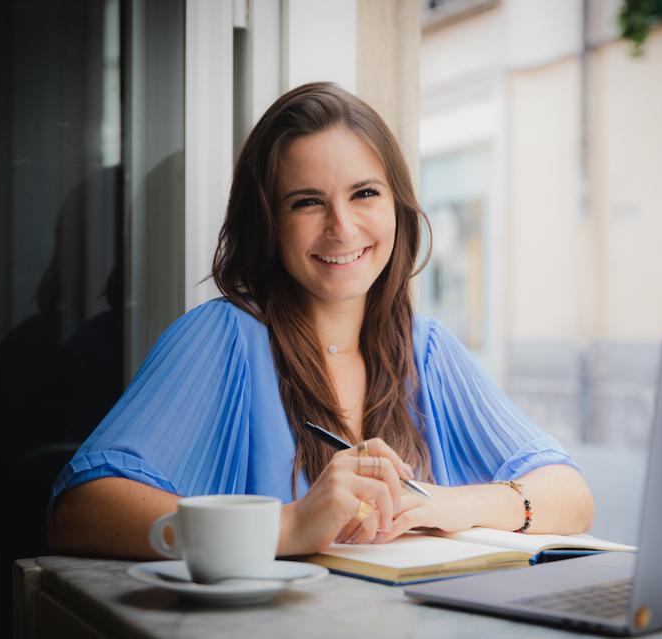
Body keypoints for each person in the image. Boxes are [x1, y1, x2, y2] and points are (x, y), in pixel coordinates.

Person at [47, 82, 594, 559]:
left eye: (365, 193)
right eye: (307, 202)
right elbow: (80, 512)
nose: (342, 226)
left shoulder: (427, 349)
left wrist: (449, 504)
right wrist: (288, 524)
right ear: (267, 224)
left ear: (397, 207)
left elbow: (571, 497)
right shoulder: (222, 336)